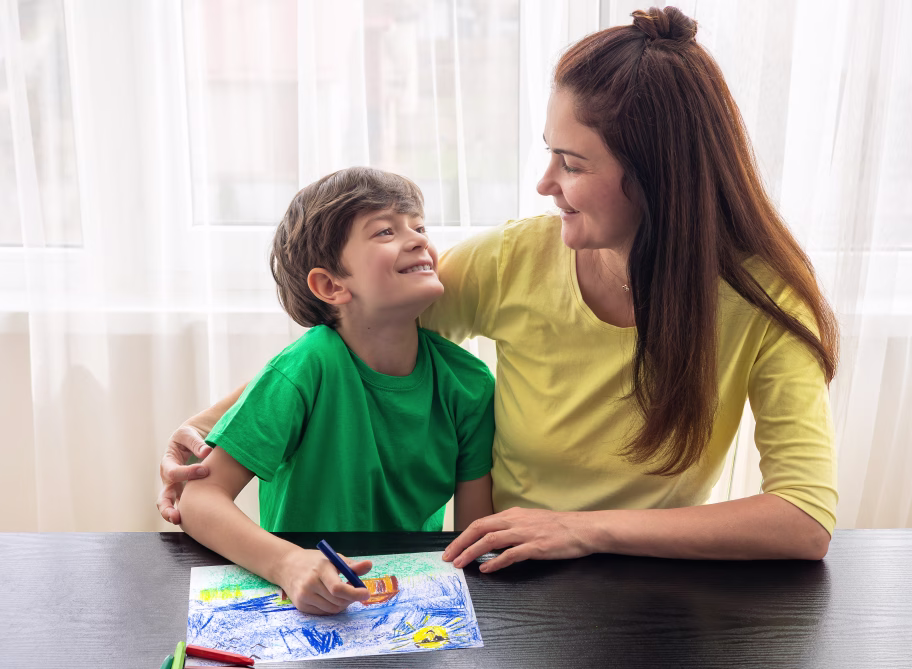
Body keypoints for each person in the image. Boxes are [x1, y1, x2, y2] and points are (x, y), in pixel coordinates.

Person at [161, 6, 838, 571]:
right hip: (509, 571)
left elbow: (804, 519)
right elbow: (360, 335)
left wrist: (587, 529)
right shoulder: (516, 258)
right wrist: (208, 430)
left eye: (570, 163)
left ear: (658, 178)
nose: (545, 184)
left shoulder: (766, 297)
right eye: (549, 152)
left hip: (648, 583)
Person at [175, 167, 496, 615]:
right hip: (305, 602)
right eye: (385, 230)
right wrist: (288, 563)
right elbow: (198, 500)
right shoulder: (308, 365)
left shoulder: (470, 383)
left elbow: (472, 538)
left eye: (420, 226)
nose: (419, 239)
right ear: (331, 285)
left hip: (408, 609)